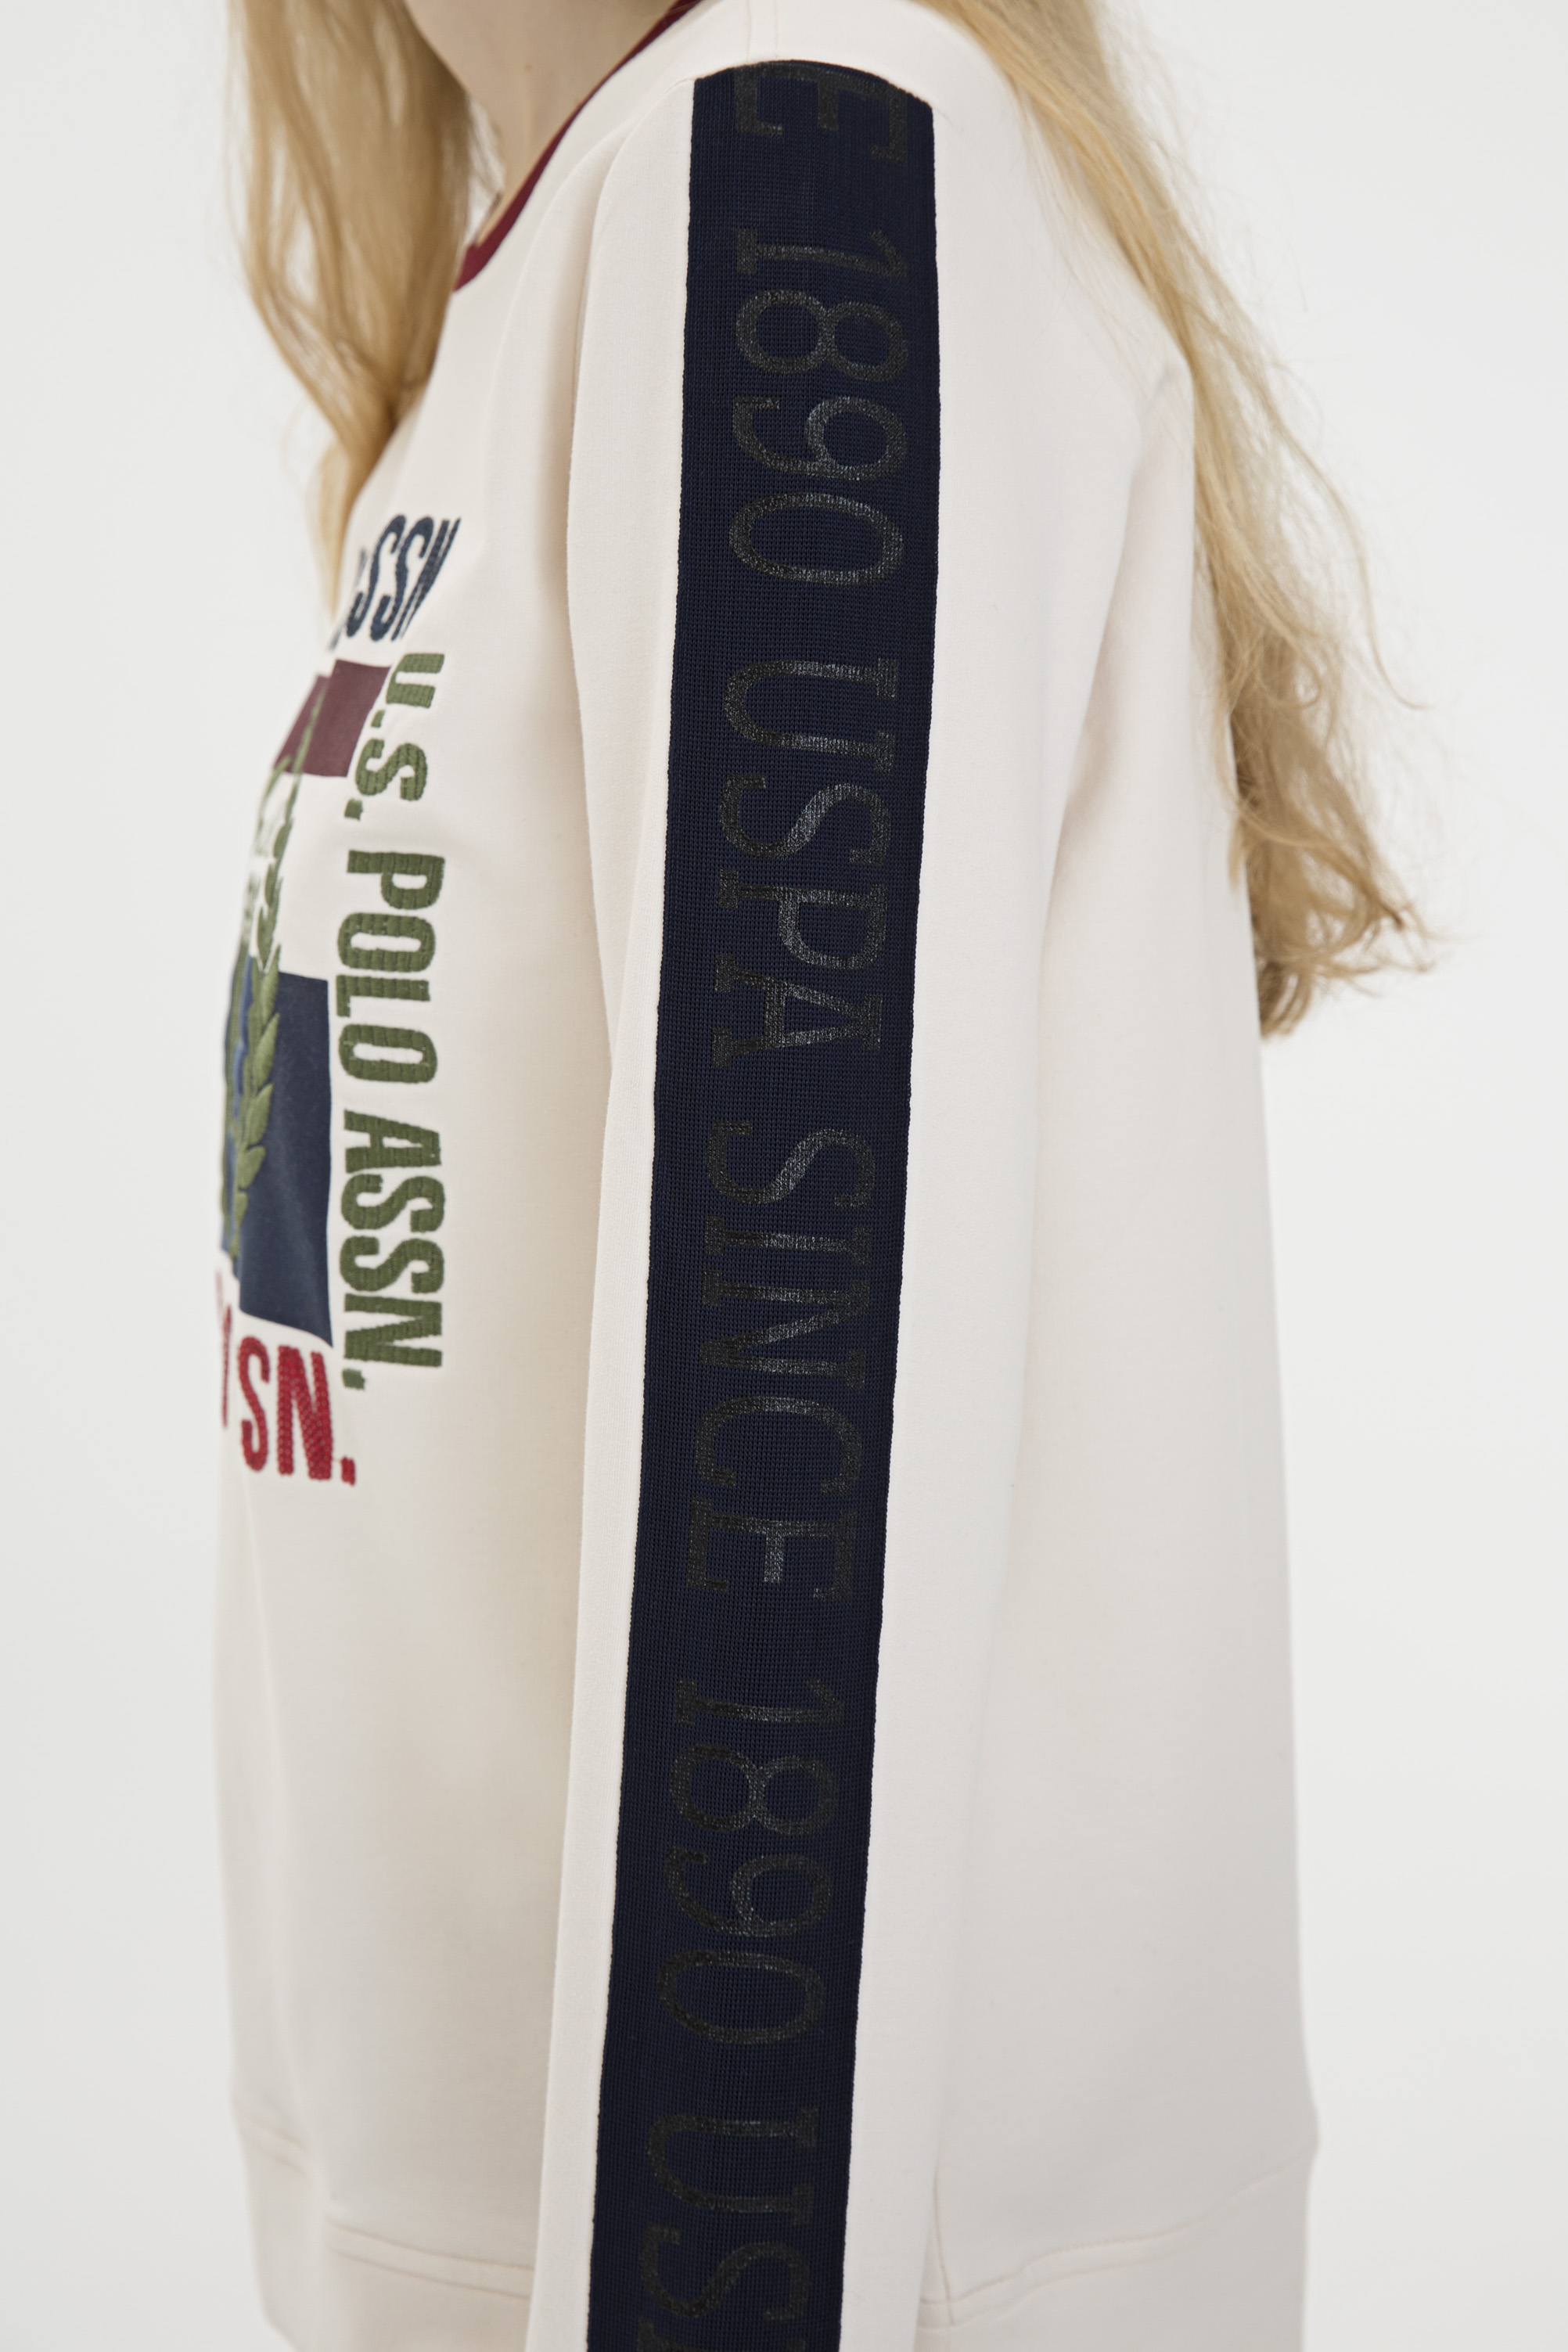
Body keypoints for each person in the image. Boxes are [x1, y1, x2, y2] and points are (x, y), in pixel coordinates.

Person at [215, 2, 1412, 2347]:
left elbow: (792, 1495)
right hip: (485, 2234)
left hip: (772, 2264)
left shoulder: (794, 160)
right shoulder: (557, 244)